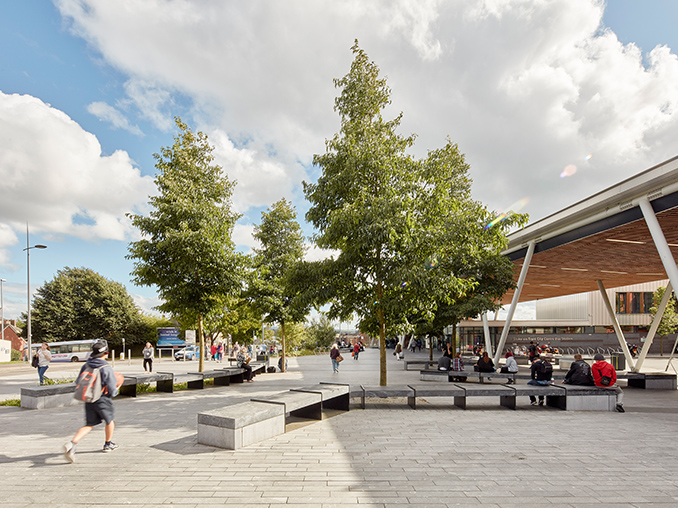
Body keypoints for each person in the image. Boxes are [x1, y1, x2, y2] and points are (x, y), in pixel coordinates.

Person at [63, 341, 119, 463]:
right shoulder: (105, 367)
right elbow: (111, 386)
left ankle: (72, 443)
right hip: (103, 399)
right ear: (106, 353)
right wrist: (115, 391)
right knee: (110, 421)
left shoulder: (86, 365)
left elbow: (78, 381)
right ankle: (108, 444)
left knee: (89, 424)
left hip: (89, 398)